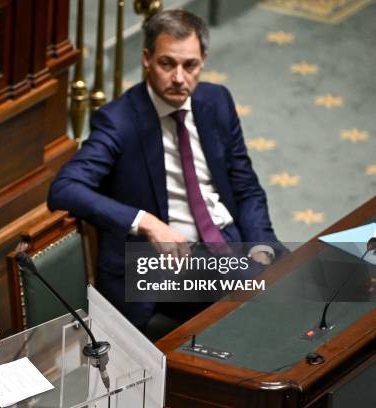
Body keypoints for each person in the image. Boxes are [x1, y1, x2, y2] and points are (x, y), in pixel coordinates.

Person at [48, 9, 280, 331]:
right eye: (167, 64)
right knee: (259, 313)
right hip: (165, 264)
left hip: (225, 243)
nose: (179, 78)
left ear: (203, 61)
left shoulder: (217, 101)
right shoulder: (118, 122)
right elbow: (65, 188)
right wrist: (145, 222)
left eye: (190, 65)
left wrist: (263, 248)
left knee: (286, 293)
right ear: (147, 59)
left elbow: (246, 188)